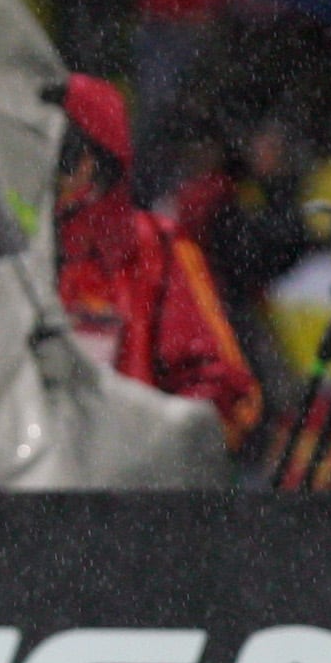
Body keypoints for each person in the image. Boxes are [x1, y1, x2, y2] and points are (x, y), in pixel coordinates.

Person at [55, 75, 262, 447]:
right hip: (14, 475)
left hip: (124, 476)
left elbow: (225, 389)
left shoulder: (156, 248)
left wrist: (146, 449)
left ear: (85, 164)